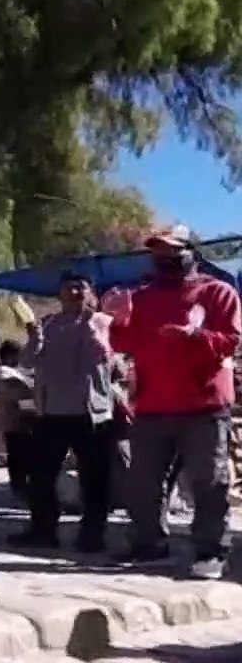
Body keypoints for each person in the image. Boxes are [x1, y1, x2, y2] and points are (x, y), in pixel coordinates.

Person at [104, 229, 241, 578]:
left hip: (204, 406)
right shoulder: (142, 297)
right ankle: (149, 544)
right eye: (157, 252)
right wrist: (117, 321)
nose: (163, 257)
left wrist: (195, 337)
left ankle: (210, 552)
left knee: (209, 482)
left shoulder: (217, 292)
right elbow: (124, 342)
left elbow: (231, 341)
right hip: (152, 405)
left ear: (190, 252)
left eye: (171, 250)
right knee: (143, 482)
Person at [12, 272, 114, 552]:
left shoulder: (103, 322)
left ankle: (92, 534)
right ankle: (43, 530)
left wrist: (95, 331)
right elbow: (27, 361)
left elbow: (107, 358)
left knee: (94, 479)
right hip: (52, 413)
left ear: (91, 292)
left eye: (80, 288)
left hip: (91, 413)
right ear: (59, 294)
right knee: (41, 476)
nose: (74, 293)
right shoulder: (48, 324)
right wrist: (34, 337)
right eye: (68, 288)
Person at [0, 341, 36, 505]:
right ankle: (21, 492)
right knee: (18, 460)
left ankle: (24, 491)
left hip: (20, 424)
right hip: (14, 424)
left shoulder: (10, 371)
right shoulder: (4, 373)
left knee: (22, 459)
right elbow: (18, 391)